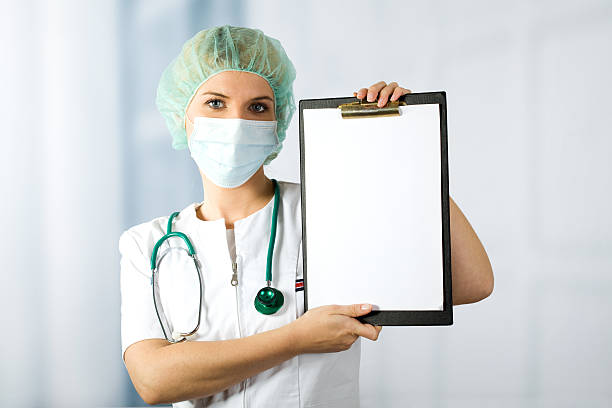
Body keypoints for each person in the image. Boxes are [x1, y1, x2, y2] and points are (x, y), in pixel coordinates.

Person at [119, 25, 494, 407]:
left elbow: (471, 282)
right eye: (216, 103)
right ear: (184, 116)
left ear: (277, 123)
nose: (236, 122)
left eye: (258, 107)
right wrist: (297, 338)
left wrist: (410, 141)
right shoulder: (148, 245)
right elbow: (154, 381)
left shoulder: (334, 209)